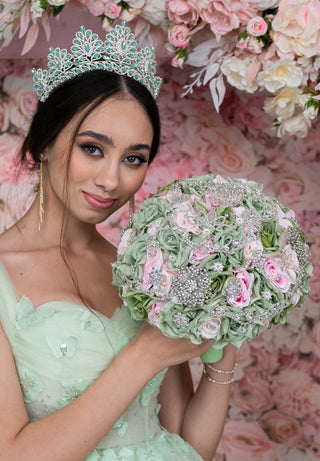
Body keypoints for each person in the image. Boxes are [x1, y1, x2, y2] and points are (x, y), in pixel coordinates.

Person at [0, 23, 236, 461]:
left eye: (133, 159)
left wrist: (229, 338)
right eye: (92, 148)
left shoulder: (147, 267)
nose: (111, 180)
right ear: (46, 141)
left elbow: (184, 441)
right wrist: (143, 356)